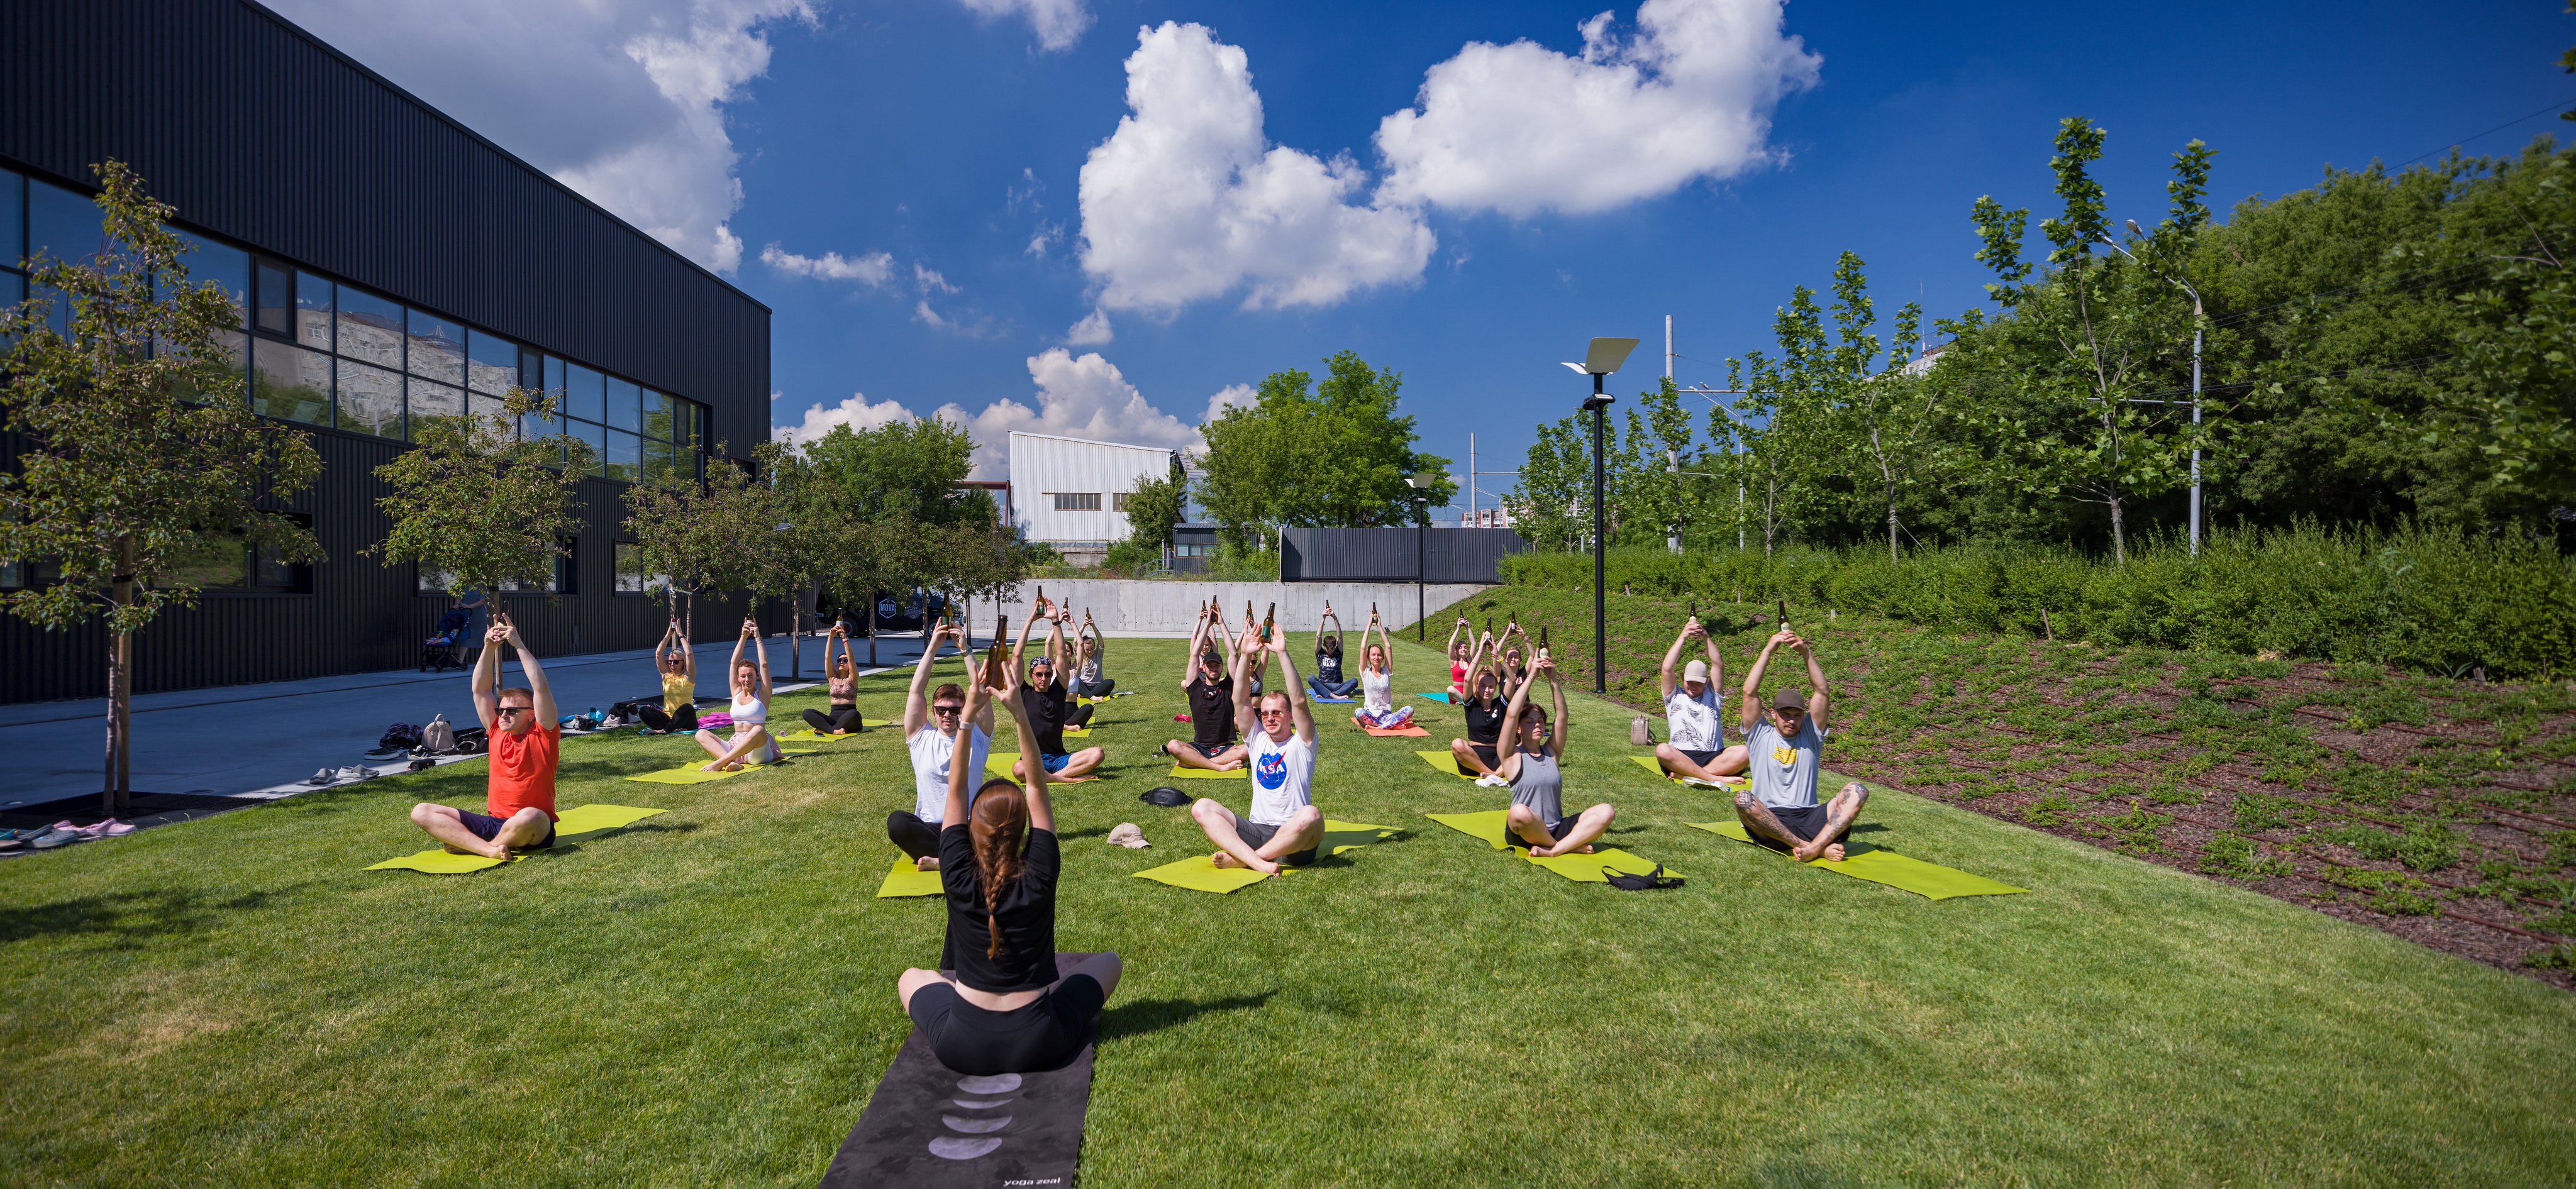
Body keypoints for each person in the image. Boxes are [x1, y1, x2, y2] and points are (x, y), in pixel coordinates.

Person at [894, 661, 1123, 1076]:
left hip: (961, 1045)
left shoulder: (955, 869)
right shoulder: (1040, 869)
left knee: (911, 976)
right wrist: (1019, 713)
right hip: (1040, 1042)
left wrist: (967, 719)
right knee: (1109, 961)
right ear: (1021, 830)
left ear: (972, 829)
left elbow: (956, 789)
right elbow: (1035, 785)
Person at [409, 614, 558, 858]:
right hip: (494, 823)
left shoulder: (543, 735)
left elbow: (541, 688)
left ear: (532, 714)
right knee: (421, 811)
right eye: (501, 710)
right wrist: (489, 647)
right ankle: (488, 849)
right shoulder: (496, 731)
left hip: (533, 827)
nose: (503, 715)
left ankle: (477, 846)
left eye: (512, 711)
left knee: (529, 815)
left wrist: (518, 644)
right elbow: (480, 690)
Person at [1191, 634, 1325, 874]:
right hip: (1257, 831)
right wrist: (1244, 655)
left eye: (1277, 713)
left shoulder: (1303, 742)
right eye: (1265, 714)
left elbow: (1299, 700)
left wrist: (1282, 653)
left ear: (1290, 715)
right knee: (1202, 807)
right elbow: (1239, 700)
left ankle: (1245, 860)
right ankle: (1257, 861)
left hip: (1294, 838)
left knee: (1311, 816)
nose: (1270, 718)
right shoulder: (1257, 739)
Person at [1734, 629, 1867, 862]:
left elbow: (1822, 691)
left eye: (1797, 715)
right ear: (1773, 713)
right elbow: (1749, 692)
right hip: (1771, 822)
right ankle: (1812, 848)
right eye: (1785, 714)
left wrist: (1806, 653)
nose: (1791, 720)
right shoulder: (1759, 734)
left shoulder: (1810, 734)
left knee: (1858, 790)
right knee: (1743, 799)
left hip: (1809, 817)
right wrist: (1768, 651)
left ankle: (1814, 846)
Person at [892, 622, 996, 871]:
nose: (947, 715)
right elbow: (916, 691)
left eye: (954, 710)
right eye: (941, 710)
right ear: (933, 711)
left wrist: (965, 650)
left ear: (964, 710)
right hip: (931, 827)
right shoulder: (921, 737)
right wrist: (932, 648)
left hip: (968, 825)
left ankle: (944, 860)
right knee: (897, 822)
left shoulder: (977, 736)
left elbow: (981, 690)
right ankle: (962, 858)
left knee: (1002, 817)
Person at [1496, 656, 1615, 858]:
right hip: (1525, 833)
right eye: (1530, 722)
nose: (1537, 725)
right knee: (1518, 812)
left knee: (1606, 811)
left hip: (1557, 827)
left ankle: (1555, 849)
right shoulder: (1511, 756)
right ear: (1518, 728)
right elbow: (1511, 714)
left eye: (1541, 721)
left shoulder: (1551, 753)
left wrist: (1553, 680)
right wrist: (1531, 676)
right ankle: (1566, 846)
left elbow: (1562, 717)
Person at [1011, 604, 1105, 781]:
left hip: (1058, 759)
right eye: (1039, 674)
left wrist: (1056, 621)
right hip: (1032, 760)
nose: (1044, 678)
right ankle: (1066, 778)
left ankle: (1051, 777)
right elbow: (1017, 656)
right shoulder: (1023, 693)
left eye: (1048, 674)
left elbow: (1061, 655)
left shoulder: (1058, 690)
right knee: (1018, 769)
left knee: (1097, 754)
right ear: (1031, 675)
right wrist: (1030, 620)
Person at [1653, 617, 1748, 783]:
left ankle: (1691, 774)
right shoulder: (1674, 696)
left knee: (1746, 752)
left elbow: (1718, 665)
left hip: (1714, 757)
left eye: (1699, 683)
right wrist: (1683, 636)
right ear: (1683, 678)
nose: (1694, 686)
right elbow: (1667, 668)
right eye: (1690, 682)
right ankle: (1714, 777)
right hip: (1681, 755)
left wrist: (1706, 637)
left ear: (1706, 682)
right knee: (1662, 750)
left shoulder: (1713, 694)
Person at [1163, 604, 1247, 771]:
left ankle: (1196, 763)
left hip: (1225, 748)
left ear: (1222, 668)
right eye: (1210, 665)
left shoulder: (1229, 687)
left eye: (1217, 665)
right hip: (1199, 747)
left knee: (1248, 749)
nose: (1213, 668)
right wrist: (1207, 623)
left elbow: (1234, 654)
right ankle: (1219, 766)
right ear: (1204, 667)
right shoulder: (1195, 688)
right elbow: (1194, 654)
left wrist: (1221, 623)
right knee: (1173, 745)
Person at [695, 618, 782, 771]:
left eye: (751, 675)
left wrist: (757, 638)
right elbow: (733, 663)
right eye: (743, 676)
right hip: (736, 746)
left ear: (757, 676)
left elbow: (764, 665)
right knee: (701, 734)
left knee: (758, 729)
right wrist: (743, 636)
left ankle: (721, 762)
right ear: (738, 678)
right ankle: (733, 762)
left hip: (758, 749)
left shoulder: (763, 694)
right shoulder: (736, 692)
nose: (747, 679)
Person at [1447, 655, 1508, 786]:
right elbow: (1467, 680)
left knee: (1520, 745)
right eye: (1482, 686)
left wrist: (1499, 658)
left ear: (1495, 688)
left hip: (1498, 759)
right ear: (1477, 685)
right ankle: (1493, 774)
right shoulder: (1471, 704)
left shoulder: (1500, 704)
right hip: (1473, 760)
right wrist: (1480, 652)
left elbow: (1511, 680)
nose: (1487, 690)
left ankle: (1494, 774)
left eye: (1491, 686)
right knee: (1457, 743)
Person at [1351, 610, 1413, 731]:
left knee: (1409, 710)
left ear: (1383, 657)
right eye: (1373, 655)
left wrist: (1379, 625)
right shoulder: (1365, 672)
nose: (1376, 657)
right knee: (1359, 712)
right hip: (1370, 714)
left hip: (1386, 715)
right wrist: (1369, 625)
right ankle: (1390, 725)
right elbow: (1363, 648)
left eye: (1379, 655)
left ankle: (1379, 727)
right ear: (1369, 657)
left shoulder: (1386, 672)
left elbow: (1388, 647)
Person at [636, 618, 699, 733]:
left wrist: (680, 635)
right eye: (670, 662)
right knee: (644, 711)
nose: (672, 665)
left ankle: (663, 731)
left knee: (687, 707)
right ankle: (669, 730)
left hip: (687, 721)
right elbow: (658, 653)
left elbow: (689, 654)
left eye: (676, 662)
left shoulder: (688, 676)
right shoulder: (666, 675)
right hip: (669, 720)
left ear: (683, 662)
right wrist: (669, 634)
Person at [801, 621, 863, 735]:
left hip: (850, 718)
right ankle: (834, 731)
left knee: (854, 714)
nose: (842, 662)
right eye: (839, 660)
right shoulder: (832, 678)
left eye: (845, 661)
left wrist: (845, 639)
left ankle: (827, 729)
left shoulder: (853, 678)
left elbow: (852, 659)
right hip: (833, 719)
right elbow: (827, 658)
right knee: (807, 712)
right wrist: (831, 637)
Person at [1307, 602, 1359, 699]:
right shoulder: (1320, 654)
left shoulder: (1338, 653)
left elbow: (1340, 636)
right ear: (1324, 646)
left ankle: (1329, 695)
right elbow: (1318, 637)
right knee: (1311, 678)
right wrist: (1323, 618)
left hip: (1338, 685)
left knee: (1354, 681)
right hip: (1323, 685)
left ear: (1335, 646)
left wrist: (1335, 618)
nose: (1330, 652)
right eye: (1328, 650)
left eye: (1332, 649)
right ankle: (1335, 695)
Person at [1069, 614, 1114, 700]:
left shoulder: (1098, 654)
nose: (1090, 651)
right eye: (1087, 649)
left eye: (1092, 649)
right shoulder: (1080, 655)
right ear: (1083, 649)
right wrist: (1084, 625)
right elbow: (1076, 641)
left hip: (1097, 686)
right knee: (1074, 678)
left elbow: (1101, 641)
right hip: (1083, 686)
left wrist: (1093, 626)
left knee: (1110, 682)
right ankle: (1091, 695)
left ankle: (1087, 695)